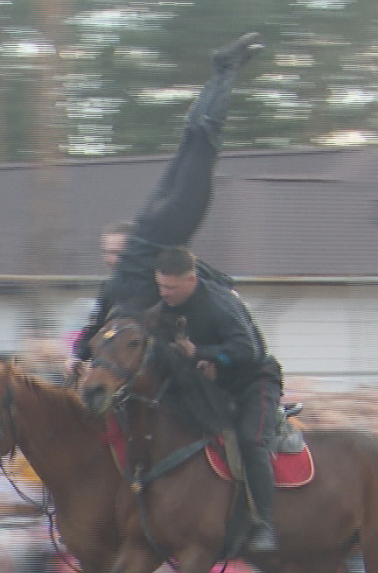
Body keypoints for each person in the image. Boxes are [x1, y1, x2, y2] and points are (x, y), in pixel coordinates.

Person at [72, 32, 264, 361]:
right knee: (192, 137)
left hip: (168, 223)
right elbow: (93, 326)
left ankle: (225, 68)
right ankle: (223, 70)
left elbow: (188, 271)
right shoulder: (112, 288)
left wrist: (78, 355)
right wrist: (77, 353)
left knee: (205, 139)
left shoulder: (127, 292)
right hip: (149, 215)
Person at [152, 246, 292, 552]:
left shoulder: (220, 305)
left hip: (254, 382)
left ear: (191, 280)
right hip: (214, 387)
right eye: (161, 286)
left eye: (171, 288)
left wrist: (202, 354)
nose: (164, 294)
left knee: (250, 440)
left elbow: (248, 351)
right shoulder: (166, 306)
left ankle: (264, 525)